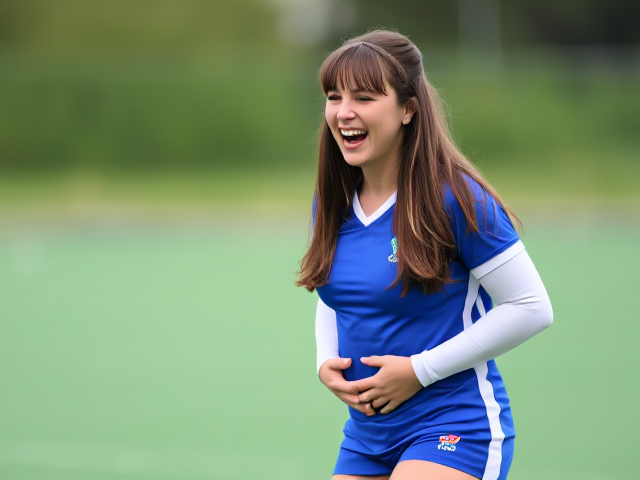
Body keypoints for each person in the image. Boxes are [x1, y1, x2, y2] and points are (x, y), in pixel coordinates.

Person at [296, 29, 553, 480]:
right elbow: (335, 294)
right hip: (367, 435)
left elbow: (531, 307)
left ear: (408, 110)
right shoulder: (333, 200)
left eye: (364, 97)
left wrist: (419, 370)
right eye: (334, 96)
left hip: (455, 425)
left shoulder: (456, 198)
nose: (344, 112)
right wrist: (324, 359)